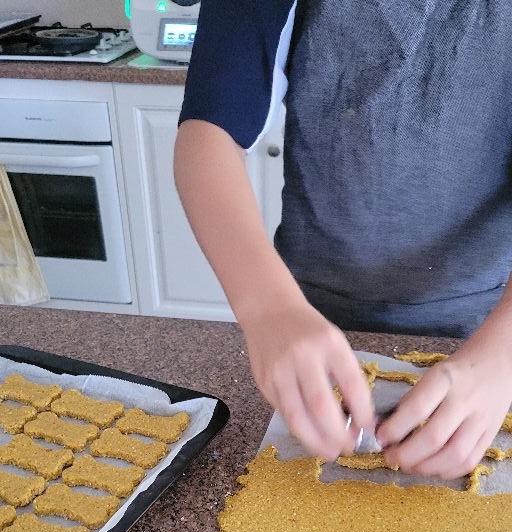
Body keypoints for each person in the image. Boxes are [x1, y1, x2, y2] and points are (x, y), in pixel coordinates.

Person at [174, 0, 512, 480]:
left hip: (490, 324)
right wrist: (268, 309)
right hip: (306, 315)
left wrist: (503, 354)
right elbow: (207, 134)